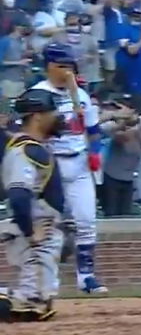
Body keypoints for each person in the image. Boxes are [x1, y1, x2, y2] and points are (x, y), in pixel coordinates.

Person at [29, 43, 107, 294]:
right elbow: (28, 134)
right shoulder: (37, 95)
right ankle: (46, 282)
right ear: (50, 66)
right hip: (51, 166)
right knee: (50, 226)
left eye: (70, 66)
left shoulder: (81, 95)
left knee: (86, 221)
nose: (67, 71)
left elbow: (93, 130)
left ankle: (86, 278)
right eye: (62, 65)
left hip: (79, 162)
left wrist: (95, 152)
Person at [0, 88, 67, 322]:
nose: (57, 117)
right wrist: (32, 233)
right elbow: (19, 196)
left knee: (39, 303)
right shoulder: (26, 150)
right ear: (38, 116)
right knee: (33, 305)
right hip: (33, 234)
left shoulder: (32, 147)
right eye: (53, 112)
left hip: (39, 231)